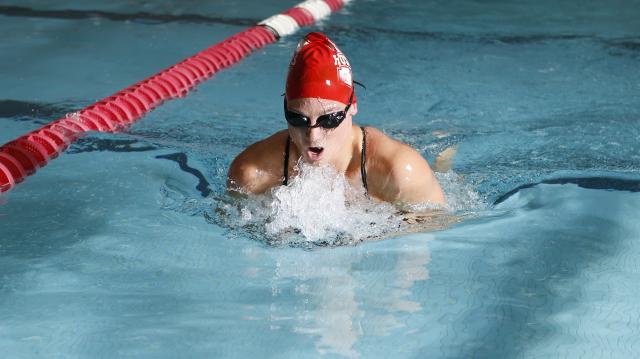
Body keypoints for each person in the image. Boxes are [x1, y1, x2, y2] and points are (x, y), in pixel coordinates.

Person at [227, 32, 445, 206]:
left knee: (440, 165)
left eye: (329, 119)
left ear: (353, 107)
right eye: (298, 119)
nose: (313, 135)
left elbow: (431, 232)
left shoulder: (399, 172)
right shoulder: (251, 173)